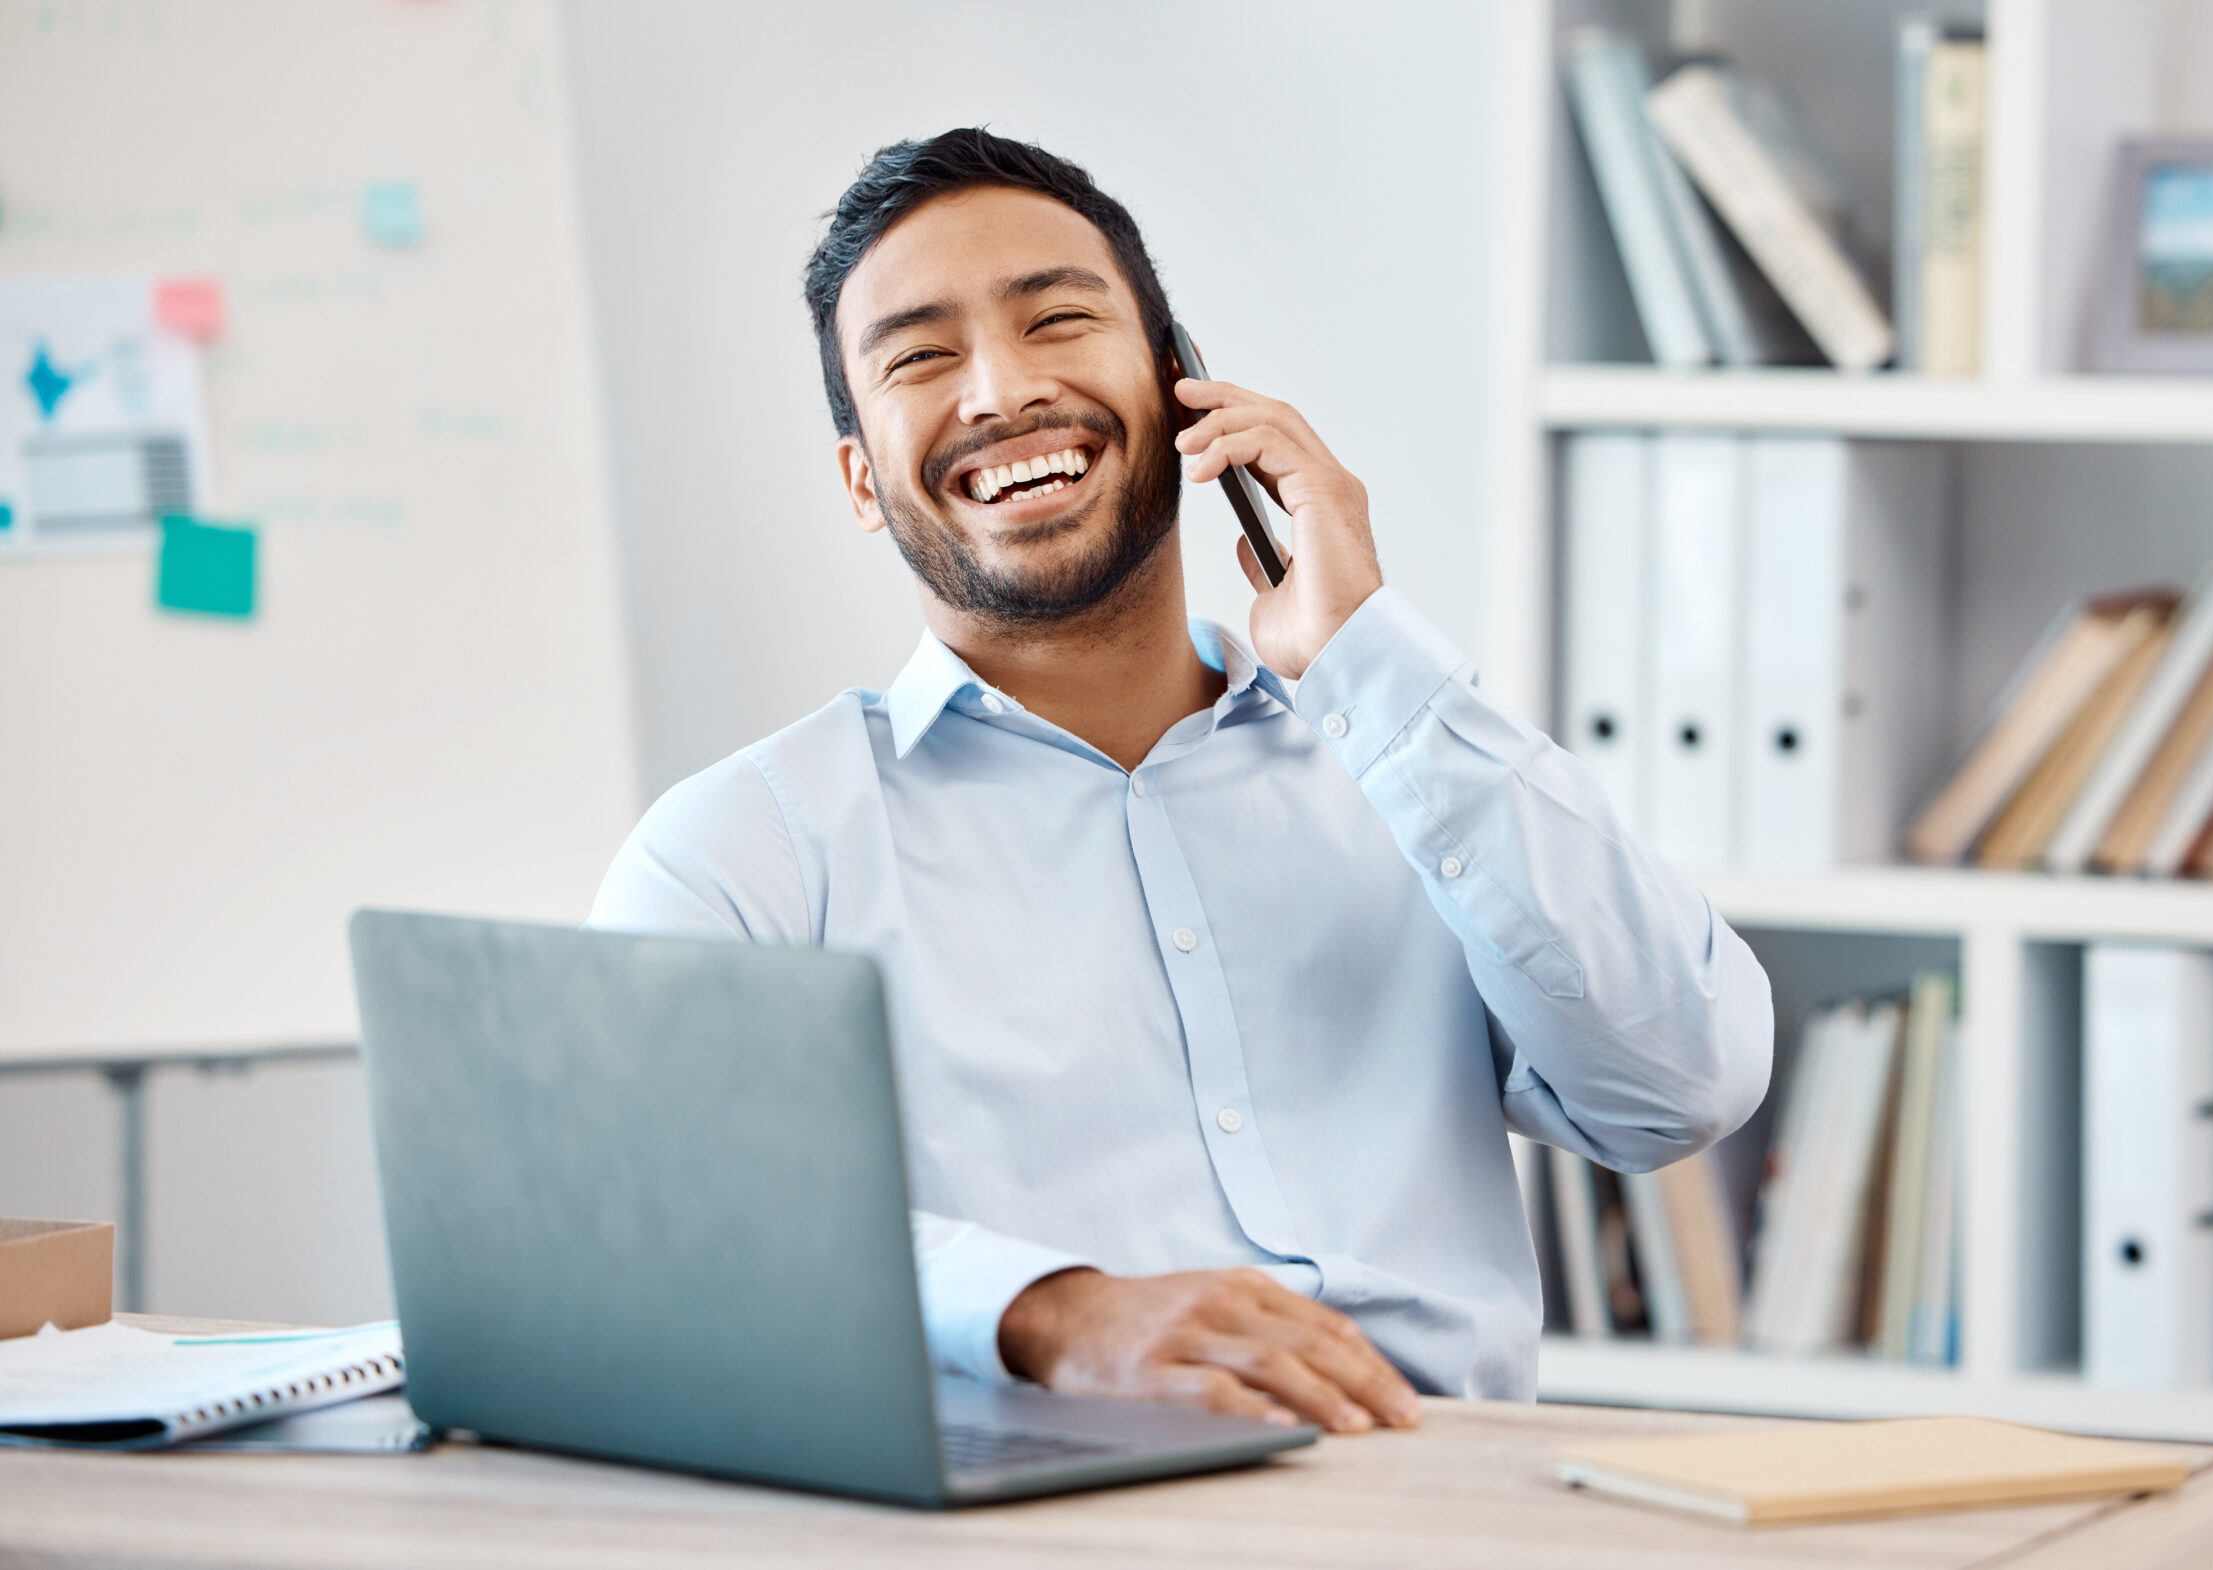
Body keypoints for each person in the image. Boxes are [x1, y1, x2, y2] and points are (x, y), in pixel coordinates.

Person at [590, 128, 1772, 1436]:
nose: (999, 390)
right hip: (1044, 1516)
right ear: (865, 481)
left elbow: (1682, 1083)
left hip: (1443, 1497)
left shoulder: (1409, 768)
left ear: (1184, 390)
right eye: (923, 356)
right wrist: (1051, 1311)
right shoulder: (749, 845)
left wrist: (1366, 653)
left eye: (1059, 320)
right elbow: (652, 1220)